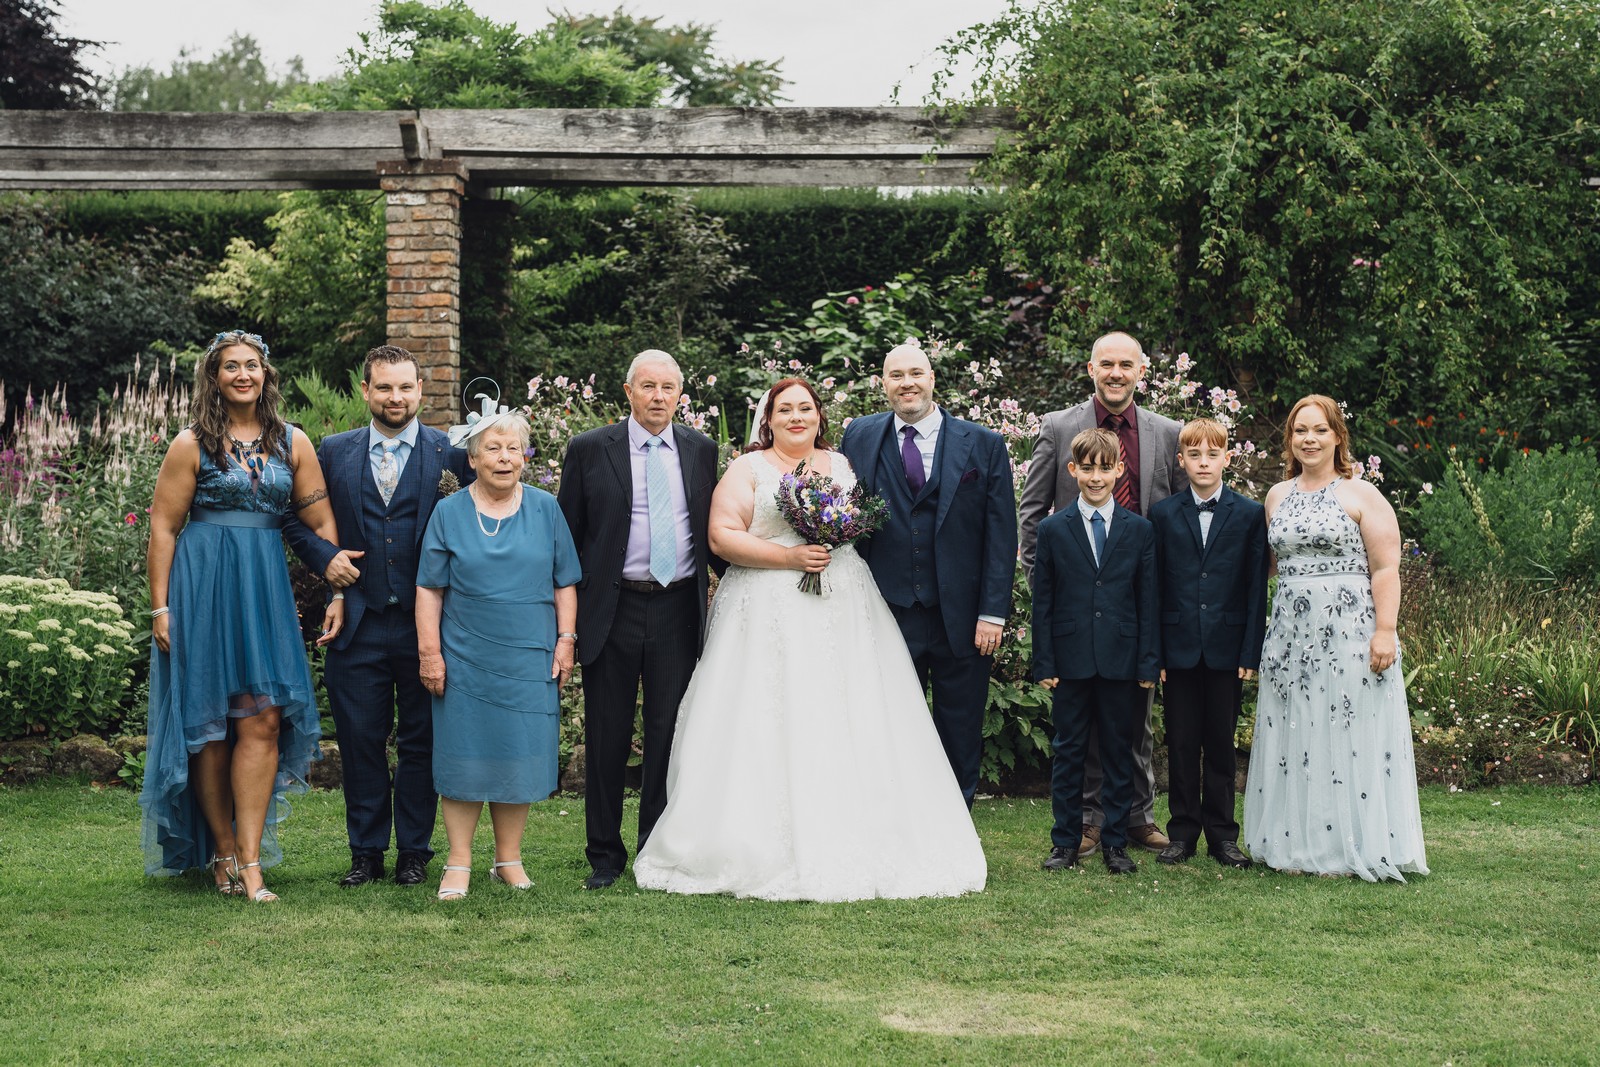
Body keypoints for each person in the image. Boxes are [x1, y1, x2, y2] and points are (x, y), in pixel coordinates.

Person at [633, 378, 986, 900]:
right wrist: (789, 557)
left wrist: (832, 538)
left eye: (805, 408)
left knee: (848, 710)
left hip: (843, 604)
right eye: (784, 410)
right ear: (768, 419)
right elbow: (721, 537)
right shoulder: (747, 468)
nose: (796, 417)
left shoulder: (841, 465)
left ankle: (859, 829)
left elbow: (862, 523)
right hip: (764, 609)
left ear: (819, 416)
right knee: (764, 714)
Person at [140, 330, 343, 902]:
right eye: (230, 366)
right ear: (214, 377)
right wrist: (161, 606)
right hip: (203, 586)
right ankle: (224, 851)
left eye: (252, 365)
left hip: (263, 589)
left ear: (266, 375)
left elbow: (321, 524)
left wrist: (338, 592)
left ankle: (251, 863)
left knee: (264, 721)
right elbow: (164, 527)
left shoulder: (293, 441)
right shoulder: (191, 443)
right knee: (208, 725)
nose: (243, 374)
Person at [283, 345, 473, 889]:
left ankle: (414, 851)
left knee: (421, 742)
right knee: (360, 741)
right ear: (365, 390)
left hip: (428, 626)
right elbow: (294, 519)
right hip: (358, 622)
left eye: (405, 387)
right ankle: (365, 852)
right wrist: (327, 560)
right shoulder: (333, 451)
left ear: (420, 390)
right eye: (384, 387)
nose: (396, 397)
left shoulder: (451, 454)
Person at [1243, 396, 1428, 881]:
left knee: (1344, 730)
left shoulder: (1362, 494)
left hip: (1350, 633)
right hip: (1289, 636)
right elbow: (1272, 567)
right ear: (1289, 439)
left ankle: (1348, 846)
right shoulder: (1276, 496)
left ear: (1338, 436)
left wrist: (1385, 630)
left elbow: (1385, 568)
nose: (1309, 439)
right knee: (1296, 730)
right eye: (1300, 431)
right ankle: (1297, 844)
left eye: (1320, 430)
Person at [557, 350, 720, 891]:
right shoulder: (589, 449)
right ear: (628, 392)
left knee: (667, 733)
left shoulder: (701, 449)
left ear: (680, 396)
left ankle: (654, 848)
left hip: (678, 608)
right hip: (613, 606)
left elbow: (712, 530)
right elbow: (567, 538)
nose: (658, 396)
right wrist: (565, 621)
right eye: (648, 386)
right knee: (606, 735)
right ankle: (604, 856)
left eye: (668, 387)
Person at [1018, 331, 1184, 855]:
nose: (1116, 373)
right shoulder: (1058, 427)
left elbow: (1177, 517)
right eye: (1106, 364)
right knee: (1081, 728)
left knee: (1136, 718)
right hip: (1077, 598)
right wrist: (1048, 589)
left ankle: (1137, 816)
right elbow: (1032, 513)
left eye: (1125, 365)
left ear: (1141, 371)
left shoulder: (1167, 432)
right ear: (1091, 369)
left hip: (1137, 602)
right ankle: (1089, 819)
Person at [838, 341, 1017, 805]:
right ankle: (899, 816)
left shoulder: (983, 443)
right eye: (896, 376)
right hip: (888, 609)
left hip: (963, 613)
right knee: (891, 723)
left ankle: (957, 818)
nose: (907, 384)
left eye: (916, 373)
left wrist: (992, 613)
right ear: (883, 384)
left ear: (932, 378)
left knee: (961, 725)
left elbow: (1001, 534)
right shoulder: (858, 435)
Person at [415, 407, 579, 900]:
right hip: (463, 655)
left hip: (529, 655)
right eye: (493, 448)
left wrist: (566, 639)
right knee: (463, 755)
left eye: (513, 449)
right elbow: (429, 589)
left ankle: (508, 859)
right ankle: (458, 861)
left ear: (524, 457)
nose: (505, 458)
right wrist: (430, 653)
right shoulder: (448, 513)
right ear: (472, 458)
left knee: (518, 753)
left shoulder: (546, 508)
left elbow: (565, 582)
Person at [1032, 428, 1159, 875]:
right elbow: (1043, 600)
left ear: (1119, 470)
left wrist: (1148, 661)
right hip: (1070, 661)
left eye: (1105, 468)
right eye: (1087, 468)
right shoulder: (1052, 529)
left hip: (1121, 661)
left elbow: (1147, 600)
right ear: (1073, 470)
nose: (1096, 477)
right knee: (1068, 751)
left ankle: (1115, 842)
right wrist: (1044, 661)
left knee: (1118, 752)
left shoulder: (1139, 530)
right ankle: (1065, 841)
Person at [1148, 418, 1268, 869]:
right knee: (1180, 744)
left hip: (1226, 649)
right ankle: (1181, 834)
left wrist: (1249, 650)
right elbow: (1154, 588)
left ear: (1227, 459)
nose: (1203, 462)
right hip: (1177, 648)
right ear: (1181, 461)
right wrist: (1156, 652)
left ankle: (1223, 836)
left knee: (1220, 745)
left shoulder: (1249, 514)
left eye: (1212, 455)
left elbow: (1255, 588)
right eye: (1194, 455)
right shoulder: (1162, 514)